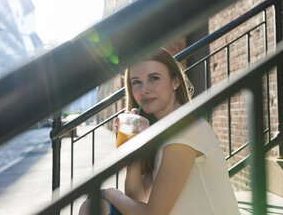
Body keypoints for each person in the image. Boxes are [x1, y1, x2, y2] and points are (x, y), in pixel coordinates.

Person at [79, 48, 240, 215]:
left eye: (154, 78)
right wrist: (134, 149)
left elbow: (153, 213)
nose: (144, 90)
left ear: (175, 81)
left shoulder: (185, 130)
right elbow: (137, 197)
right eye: (136, 82)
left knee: (92, 208)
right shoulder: (164, 131)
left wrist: (110, 193)